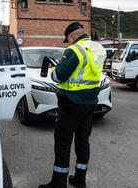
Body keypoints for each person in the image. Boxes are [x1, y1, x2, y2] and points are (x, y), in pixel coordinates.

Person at [38, 22, 106, 188]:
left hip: (71, 103)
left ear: (72, 36)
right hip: (90, 102)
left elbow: (58, 75)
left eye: (67, 39)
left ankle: (58, 183)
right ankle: (80, 180)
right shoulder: (98, 48)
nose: (68, 43)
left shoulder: (75, 50)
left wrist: (56, 69)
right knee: (83, 141)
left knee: (63, 142)